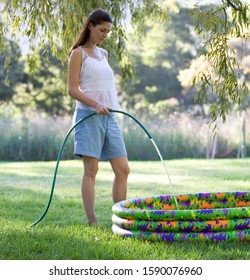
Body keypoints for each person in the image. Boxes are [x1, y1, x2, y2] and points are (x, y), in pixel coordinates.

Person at [68, 9, 130, 225]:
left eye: (108, 32)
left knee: (123, 169)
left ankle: (121, 218)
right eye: (102, 30)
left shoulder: (103, 54)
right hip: (88, 116)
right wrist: (95, 104)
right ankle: (92, 220)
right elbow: (72, 90)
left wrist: (107, 106)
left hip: (110, 117)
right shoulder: (78, 54)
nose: (105, 34)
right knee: (91, 170)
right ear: (90, 26)